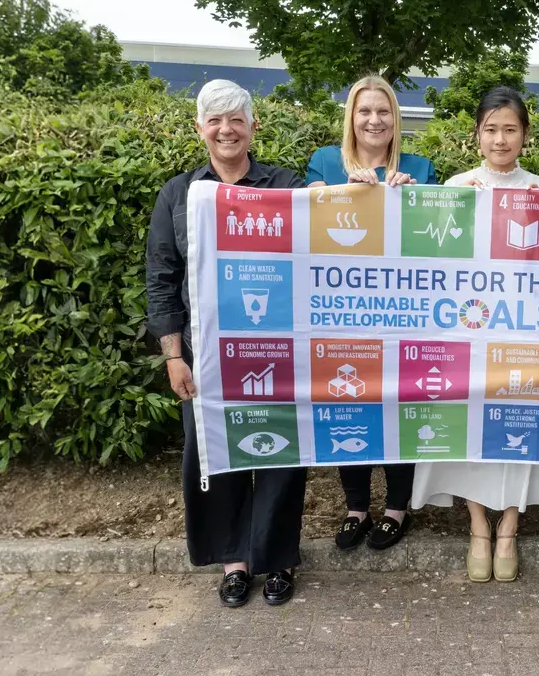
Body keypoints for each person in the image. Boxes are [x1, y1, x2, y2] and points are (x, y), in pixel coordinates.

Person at [146, 79, 308, 609]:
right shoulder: (178, 193)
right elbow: (161, 277)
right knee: (214, 455)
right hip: (205, 353)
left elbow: (324, 240)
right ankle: (235, 562)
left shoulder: (285, 184)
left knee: (282, 456)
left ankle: (278, 560)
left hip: (279, 349)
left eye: (236, 118)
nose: (226, 129)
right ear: (200, 129)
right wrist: (174, 355)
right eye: (214, 120)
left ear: (252, 126)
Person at [411, 87, 539, 583]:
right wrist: (459, 208)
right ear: (476, 135)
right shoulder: (456, 185)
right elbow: (427, 261)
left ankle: (510, 529)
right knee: (471, 432)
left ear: (524, 135)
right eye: (491, 129)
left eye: (510, 129)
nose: (500, 138)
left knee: (517, 426)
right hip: (467, 333)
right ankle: (479, 526)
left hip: (524, 335)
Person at [305, 75, 438, 552]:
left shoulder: (421, 168)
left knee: (400, 403)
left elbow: (438, 240)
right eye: (364, 111)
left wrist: (413, 199)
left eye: (383, 111)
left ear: (395, 118)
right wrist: (345, 190)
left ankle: (397, 508)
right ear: (351, 117)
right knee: (351, 403)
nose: (374, 120)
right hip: (345, 310)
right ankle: (357, 507)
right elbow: (313, 226)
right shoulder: (324, 162)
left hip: (403, 313)